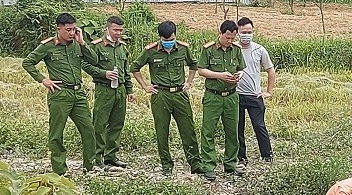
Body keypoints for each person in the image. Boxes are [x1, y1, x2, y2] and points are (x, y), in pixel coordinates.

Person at [22, 12, 103, 176]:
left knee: (88, 129)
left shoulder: (77, 44)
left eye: (74, 29)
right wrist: (43, 80)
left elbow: (94, 61)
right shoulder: (47, 46)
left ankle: (89, 166)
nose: (71, 33)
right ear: (58, 29)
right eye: (68, 30)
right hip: (60, 94)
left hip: (78, 93)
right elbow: (28, 62)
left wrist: (82, 43)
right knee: (57, 133)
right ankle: (60, 169)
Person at [131, 20, 203, 176]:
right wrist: (145, 86)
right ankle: (166, 164)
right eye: (165, 41)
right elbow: (134, 67)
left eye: (171, 40)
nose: (168, 43)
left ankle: (195, 163)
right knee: (162, 131)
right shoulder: (151, 51)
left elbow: (194, 65)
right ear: (160, 38)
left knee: (188, 129)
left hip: (179, 94)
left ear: (175, 35)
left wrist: (189, 82)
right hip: (160, 95)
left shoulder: (183, 49)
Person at [198, 20, 247, 181]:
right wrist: (220, 75)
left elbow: (241, 68)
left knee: (232, 131)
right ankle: (208, 165)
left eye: (233, 38)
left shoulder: (236, 50)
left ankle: (231, 163)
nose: (230, 41)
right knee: (209, 131)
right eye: (227, 38)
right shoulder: (209, 49)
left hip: (232, 96)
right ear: (220, 33)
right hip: (213, 96)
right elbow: (201, 70)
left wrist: (239, 75)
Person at [86, 15, 133, 168]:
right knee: (100, 124)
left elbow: (126, 71)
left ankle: (111, 156)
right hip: (104, 89)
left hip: (119, 90)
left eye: (120, 30)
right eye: (115, 30)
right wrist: (102, 73)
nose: (118, 33)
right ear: (107, 28)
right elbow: (86, 65)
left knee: (117, 123)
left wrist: (129, 89)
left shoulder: (122, 47)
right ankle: (97, 158)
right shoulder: (97, 46)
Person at [235, 16, 275, 165]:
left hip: (254, 95)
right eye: (243, 31)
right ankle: (241, 158)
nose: (246, 34)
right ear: (238, 32)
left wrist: (268, 91)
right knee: (238, 128)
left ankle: (267, 156)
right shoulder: (233, 49)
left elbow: (270, 70)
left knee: (259, 126)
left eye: (249, 31)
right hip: (237, 95)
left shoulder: (259, 49)